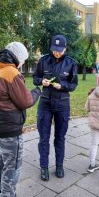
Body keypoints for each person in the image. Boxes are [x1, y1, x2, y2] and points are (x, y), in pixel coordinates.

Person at [0, 42, 41, 197]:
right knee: (13, 166)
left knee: (1, 160)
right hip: (10, 128)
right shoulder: (11, 72)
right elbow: (25, 101)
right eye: (23, 60)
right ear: (17, 57)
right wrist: (37, 90)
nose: (23, 63)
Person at [33, 35, 78, 181]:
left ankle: (59, 166)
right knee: (43, 138)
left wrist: (63, 86)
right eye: (54, 50)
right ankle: (44, 167)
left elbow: (73, 85)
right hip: (45, 103)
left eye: (59, 50)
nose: (56, 53)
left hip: (62, 104)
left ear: (65, 49)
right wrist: (42, 81)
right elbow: (35, 78)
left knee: (60, 138)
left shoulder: (71, 63)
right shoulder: (43, 60)